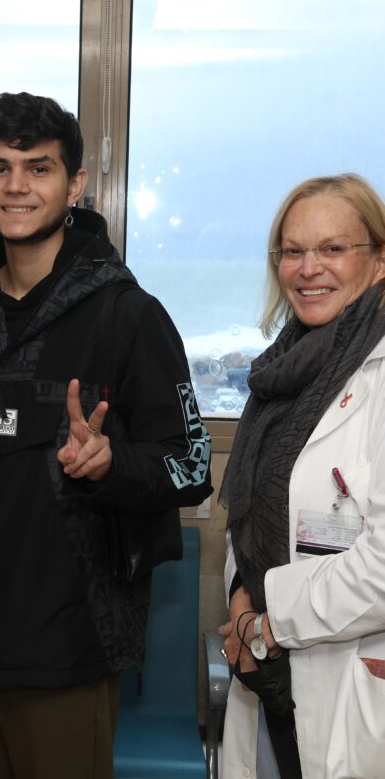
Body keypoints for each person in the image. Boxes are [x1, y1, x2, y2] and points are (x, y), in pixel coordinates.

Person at [0, 92, 213, 779]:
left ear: (75, 185)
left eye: (38, 168)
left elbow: (192, 465)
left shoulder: (127, 315)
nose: (16, 186)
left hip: (69, 650)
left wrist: (111, 463)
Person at [220, 173, 385, 779]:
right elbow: (250, 515)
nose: (309, 268)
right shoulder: (280, 374)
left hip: (353, 680)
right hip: (266, 673)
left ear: (380, 260)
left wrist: (270, 621)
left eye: (333, 248)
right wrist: (241, 600)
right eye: (293, 251)